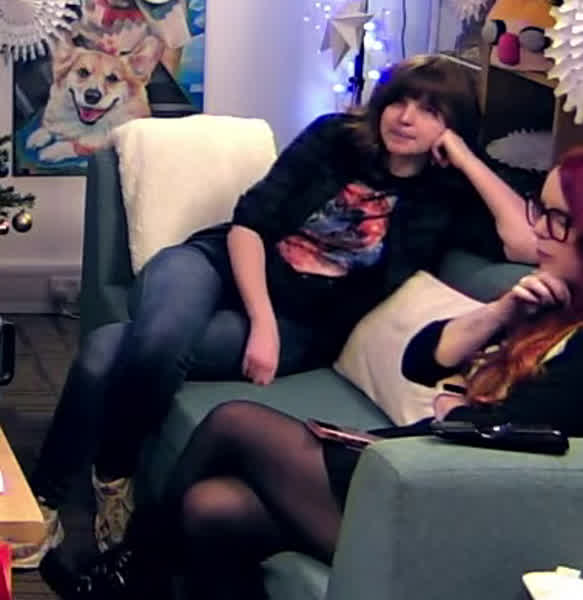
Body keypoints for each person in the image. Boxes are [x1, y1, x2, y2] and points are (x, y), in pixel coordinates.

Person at [19, 54, 536, 568]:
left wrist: (465, 159)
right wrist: (262, 323)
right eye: (401, 101)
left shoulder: (445, 198)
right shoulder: (334, 138)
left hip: (301, 324)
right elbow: (250, 224)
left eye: (430, 111)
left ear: (453, 126)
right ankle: (107, 476)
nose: (406, 118)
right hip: (221, 263)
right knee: (159, 336)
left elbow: (525, 243)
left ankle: (59, 493)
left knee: (108, 347)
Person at [53, 145, 583, 600]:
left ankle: (128, 571)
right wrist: (499, 314)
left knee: (236, 421)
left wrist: (460, 411)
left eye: (558, 219)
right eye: (541, 211)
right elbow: (421, 360)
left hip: (437, 499)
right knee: (208, 508)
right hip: (411, 461)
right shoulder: (546, 304)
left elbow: (519, 436)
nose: (541, 229)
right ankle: (134, 574)